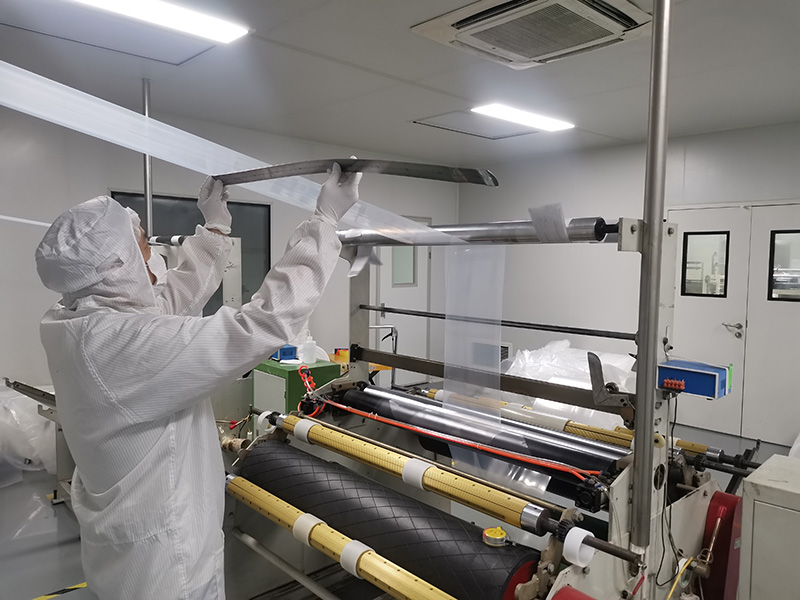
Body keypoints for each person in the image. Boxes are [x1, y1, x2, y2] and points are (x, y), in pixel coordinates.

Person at [35, 164, 360, 600]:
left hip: (124, 547)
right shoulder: (123, 346)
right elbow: (262, 324)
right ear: (116, 266)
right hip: (167, 566)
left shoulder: (77, 322)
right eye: (141, 248)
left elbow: (165, 303)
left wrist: (215, 228)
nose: (152, 257)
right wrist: (324, 224)